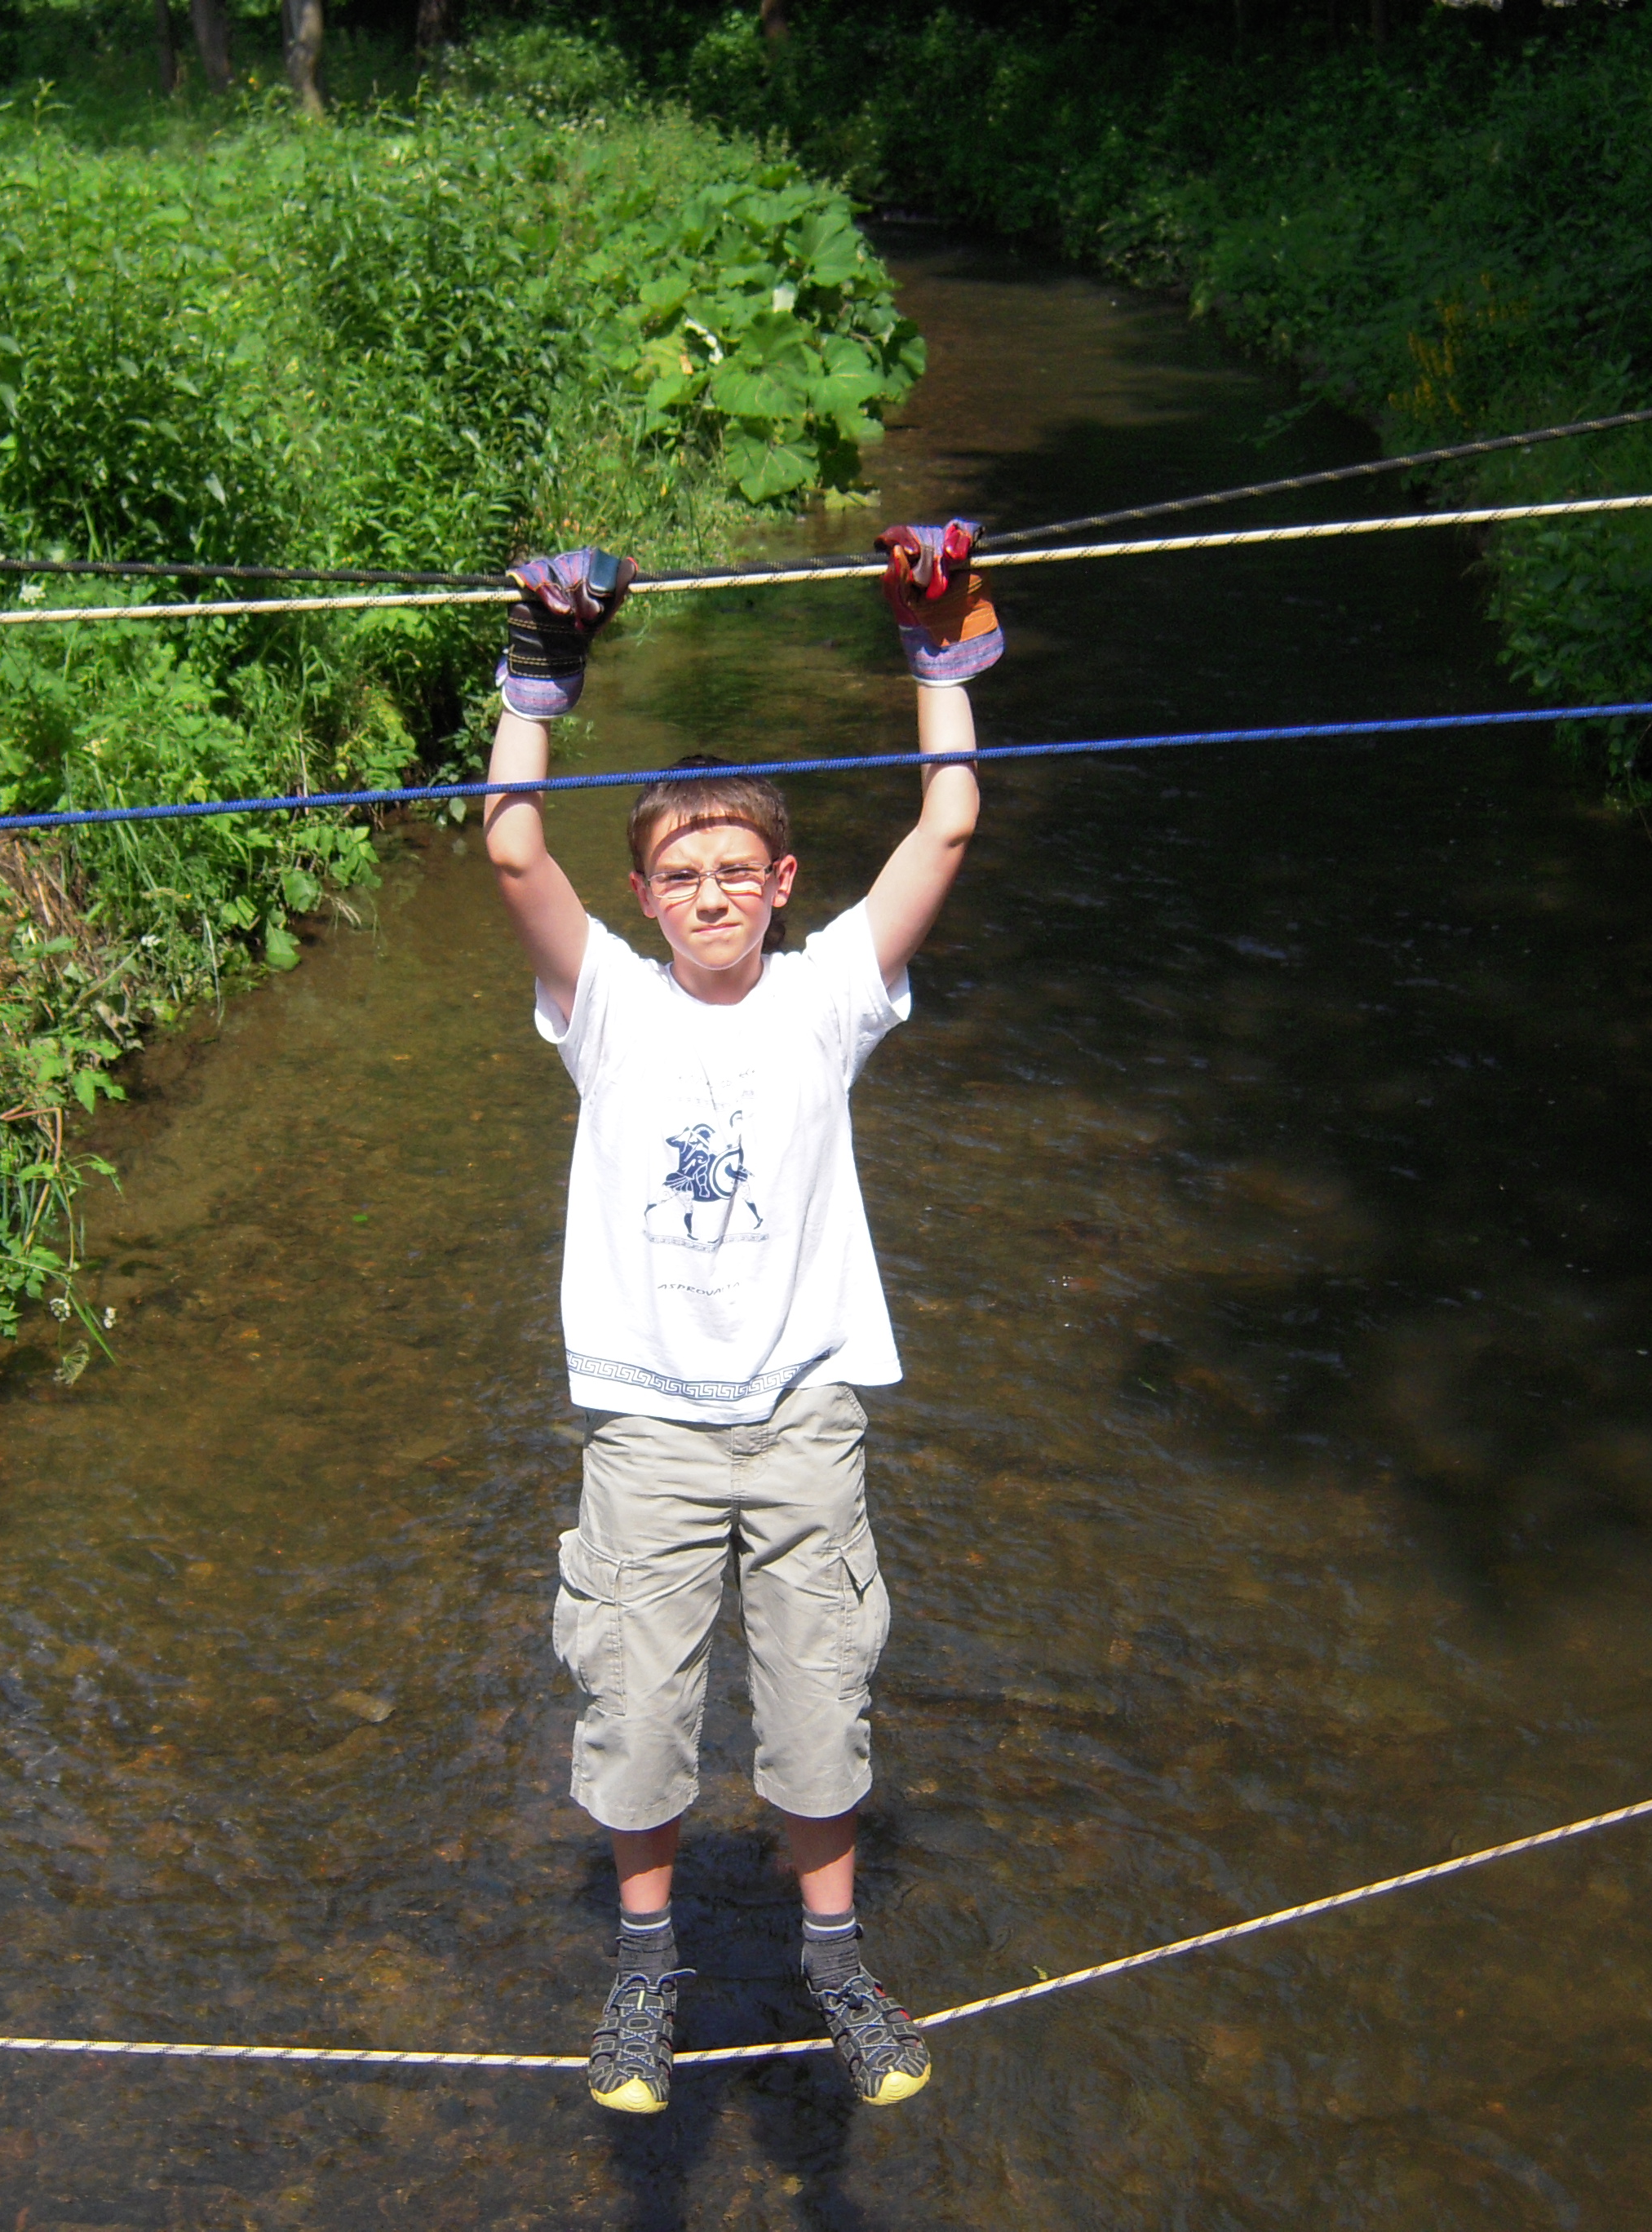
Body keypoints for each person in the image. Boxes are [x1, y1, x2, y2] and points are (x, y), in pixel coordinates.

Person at [478, 521, 1003, 2114]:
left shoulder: (829, 994)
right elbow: (512, 852)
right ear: (644, 896)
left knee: (820, 1698)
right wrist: (541, 676)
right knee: (638, 1709)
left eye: (736, 873)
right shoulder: (608, 1006)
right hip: (646, 1426)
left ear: (781, 886)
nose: (710, 896)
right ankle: (646, 1968)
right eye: (680, 876)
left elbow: (950, 820)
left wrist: (939, 647)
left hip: (801, 1419)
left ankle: (835, 1959)